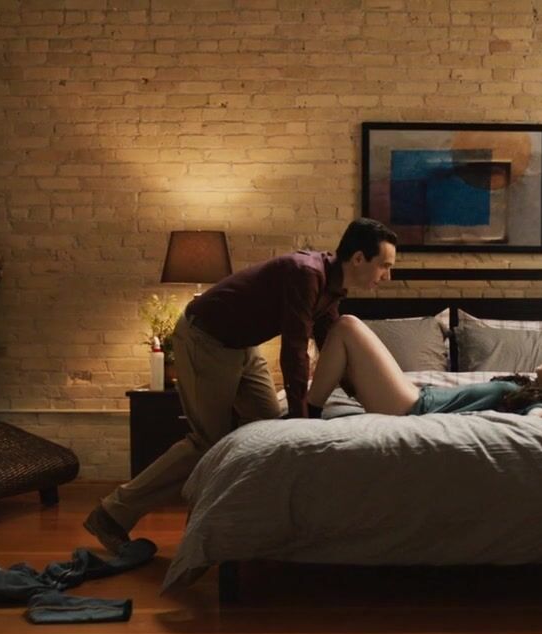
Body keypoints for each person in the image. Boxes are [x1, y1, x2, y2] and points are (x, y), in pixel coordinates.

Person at [84, 218, 398, 552]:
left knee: (267, 430)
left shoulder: (332, 290)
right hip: (205, 338)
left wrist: (364, 397)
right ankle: (112, 514)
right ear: (359, 259)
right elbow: (294, 352)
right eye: (385, 266)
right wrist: (302, 422)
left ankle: (253, 520)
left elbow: (331, 347)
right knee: (209, 442)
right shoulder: (307, 274)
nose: (387, 276)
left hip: (243, 346)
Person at [305, 315, 542, 418]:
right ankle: (312, 404)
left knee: (347, 325)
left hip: (412, 406)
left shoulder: (535, 402)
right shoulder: (525, 389)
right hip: (412, 395)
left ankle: (306, 413)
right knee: (345, 346)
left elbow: (539, 418)